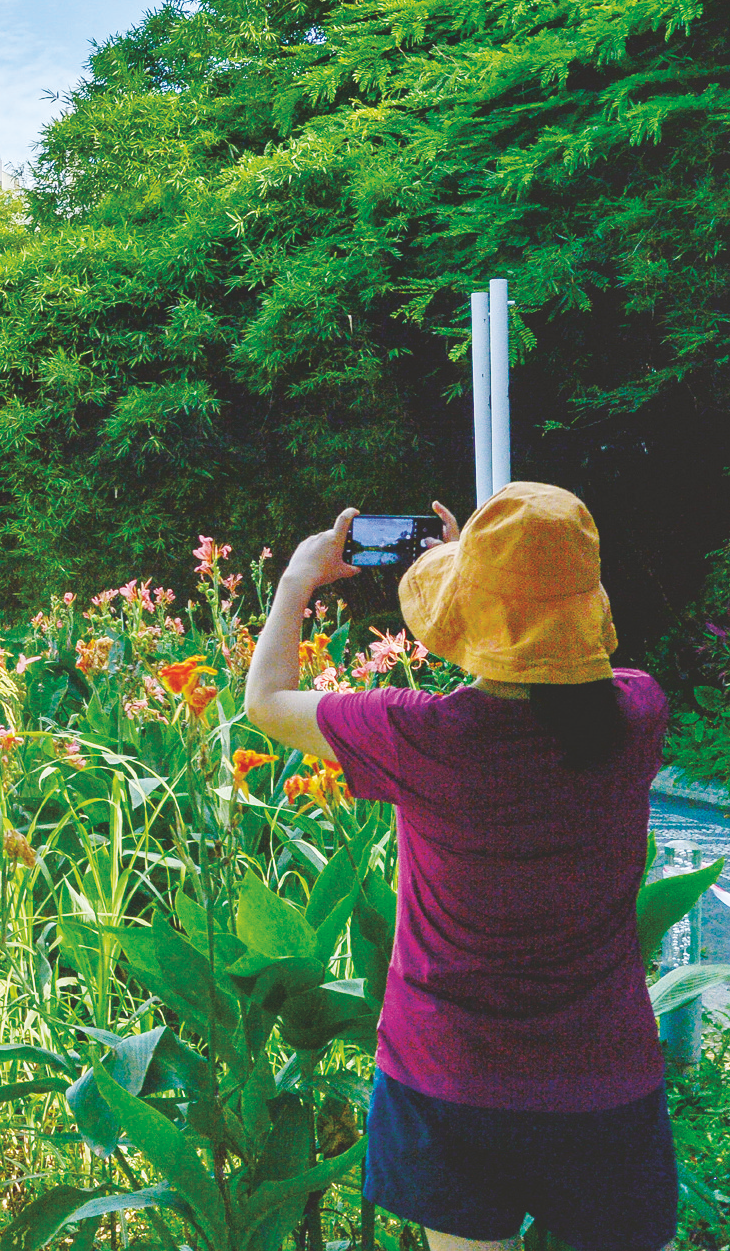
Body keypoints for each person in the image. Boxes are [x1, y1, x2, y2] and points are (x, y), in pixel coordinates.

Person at [243, 482, 677, 1251]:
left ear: (467, 612)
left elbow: (268, 700)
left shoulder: (422, 736)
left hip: (449, 1077)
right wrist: (476, 574)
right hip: (604, 1079)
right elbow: (568, 674)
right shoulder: (639, 716)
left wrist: (297, 580)